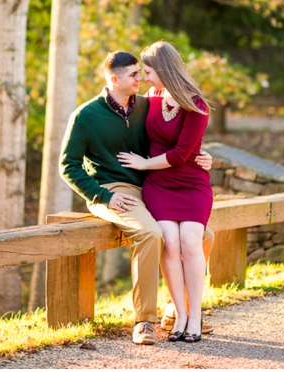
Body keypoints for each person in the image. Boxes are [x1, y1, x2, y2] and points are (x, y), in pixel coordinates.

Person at [60, 50, 214, 345]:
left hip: (151, 185)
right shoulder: (86, 115)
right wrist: (102, 195)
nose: (141, 78)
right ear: (114, 79)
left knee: (204, 235)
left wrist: (203, 156)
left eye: (142, 72)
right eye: (134, 74)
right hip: (114, 190)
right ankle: (145, 320)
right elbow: (68, 165)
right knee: (150, 234)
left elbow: (177, 138)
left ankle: (179, 311)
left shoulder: (147, 104)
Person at [117, 41, 212, 343]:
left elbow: (182, 154)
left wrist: (144, 165)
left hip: (191, 184)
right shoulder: (150, 98)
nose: (144, 77)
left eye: (147, 71)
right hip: (159, 186)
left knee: (190, 242)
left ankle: (196, 314)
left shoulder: (197, 106)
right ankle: (179, 315)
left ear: (164, 70)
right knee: (170, 243)